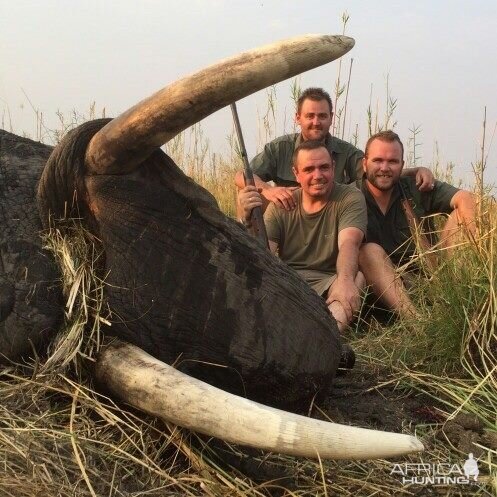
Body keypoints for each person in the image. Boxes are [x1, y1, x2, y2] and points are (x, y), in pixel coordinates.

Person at [234, 87, 434, 213]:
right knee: (249, 196)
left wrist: (416, 171)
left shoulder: (345, 151)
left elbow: (376, 172)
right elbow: (243, 175)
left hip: (329, 218)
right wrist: (269, 190)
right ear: (298, 118)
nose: (316, 122)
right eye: (309, 116)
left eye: (322, 116)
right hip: (288, 213)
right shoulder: (279, 148)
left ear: (331, 117)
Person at [239, 140, 367, 333]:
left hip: (330, 280)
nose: (318, 176)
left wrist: (345, 280)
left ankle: (325, 336)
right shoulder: (280, 205)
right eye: (309, 169)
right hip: (289, 281)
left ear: (333, 167)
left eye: (324, 167)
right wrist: (247, 221)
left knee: (357, 279)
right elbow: (264, 254)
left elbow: (349, 243)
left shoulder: (350, 197)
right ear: (296, 174)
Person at [358, 130, 476, 317]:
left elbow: (465, 197)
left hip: (427, 280)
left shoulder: (416, 186)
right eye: (378, 160)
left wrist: (473, 238)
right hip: (380, 289)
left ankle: (459, 299)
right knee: (368, 251)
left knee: (461, 216)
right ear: (364, 164)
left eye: (392, 162)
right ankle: (417, 324)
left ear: (402, 165)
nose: (385, 167)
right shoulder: (350, 195)